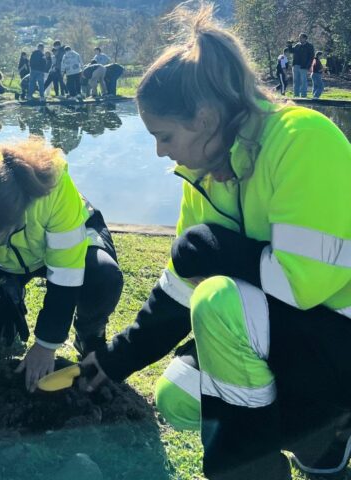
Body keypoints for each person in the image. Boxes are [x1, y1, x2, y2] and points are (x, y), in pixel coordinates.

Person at [79, 4, 351, 480]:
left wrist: (211, 247)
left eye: (164, 135)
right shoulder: (203, 172)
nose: (160, 151)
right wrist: (115, 359)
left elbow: (300, 284)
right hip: (289, 334)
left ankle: (254, 466)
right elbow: (181, 283)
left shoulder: (303, 140)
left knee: (219, 302)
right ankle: (317, 432)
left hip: (337, 328)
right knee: (179, 394)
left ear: (204, 118)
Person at [0, 138, 123, 392]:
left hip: (67, 240)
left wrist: (46, 344)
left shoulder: (54, 196)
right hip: (4, 261)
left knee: (102, 276)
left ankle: (89, 336)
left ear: (15, 224)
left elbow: (65, 273)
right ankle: (8, 314)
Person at [287, 33, 314, 98]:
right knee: (296, 81)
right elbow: (291, 51)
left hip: (304, 66)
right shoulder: (297, 45)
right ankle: (296, 95)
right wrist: (289, 45)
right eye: (299, 37)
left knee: (303, 81)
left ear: (305, 38)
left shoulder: (309, 46)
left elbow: (311, 57)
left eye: (301, 37)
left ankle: (303, 95)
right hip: (295, 65)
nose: (300, 39)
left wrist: (308, 66)